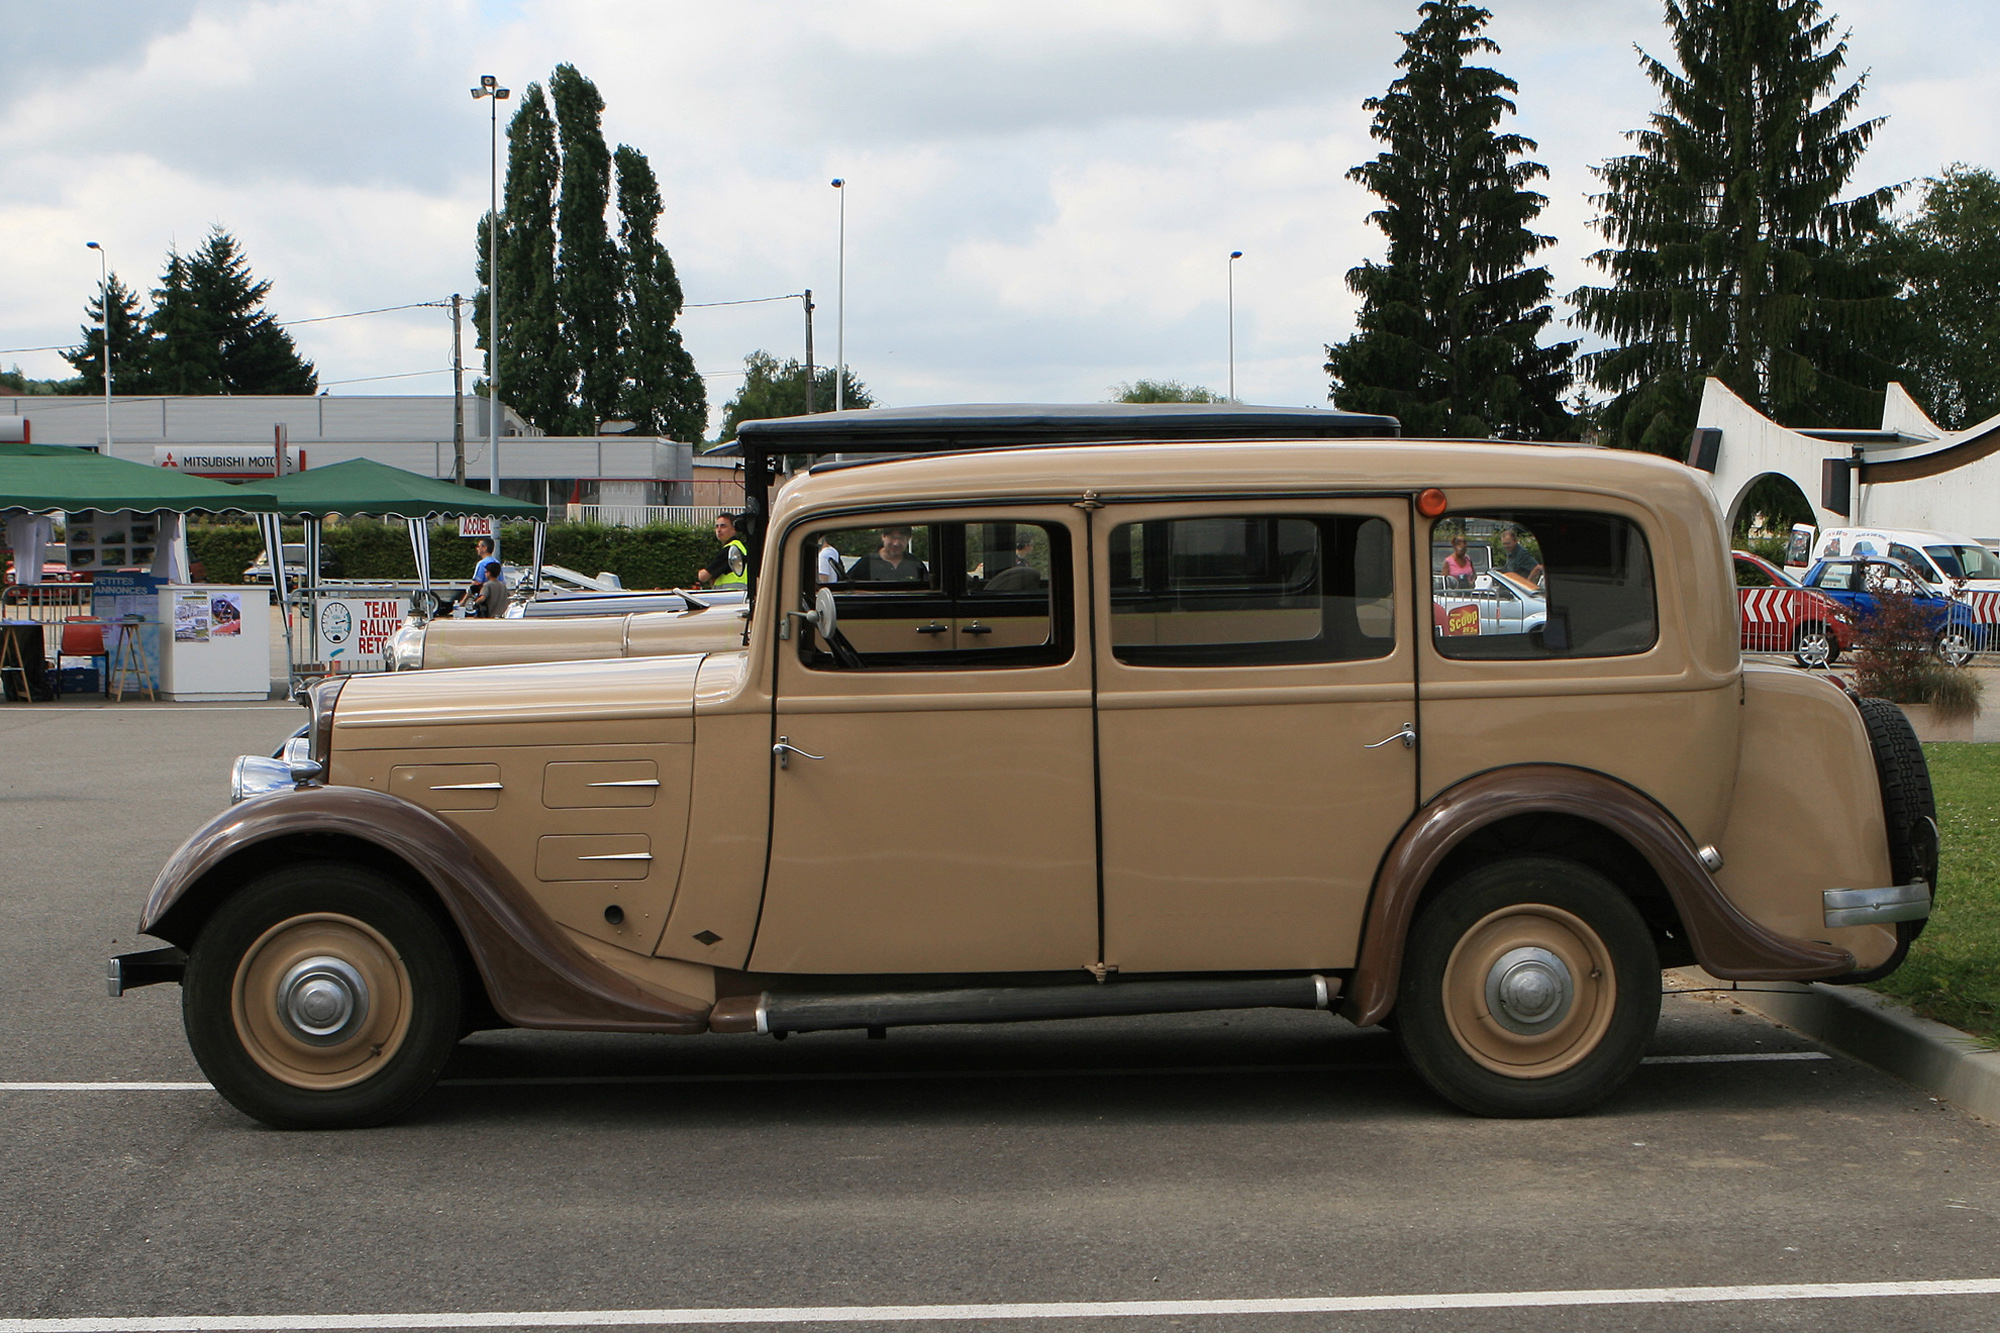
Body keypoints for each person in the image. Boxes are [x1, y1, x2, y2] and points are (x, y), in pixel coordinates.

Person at [847, 526, 929, 583]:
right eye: (892, 537)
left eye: (901, 538)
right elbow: (847, 588)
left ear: (908, 539)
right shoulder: (866, 563)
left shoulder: (916, 564)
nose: (896, 543)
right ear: (883, 537)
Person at [696, 514, 749, 589]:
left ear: (734, 529)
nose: (719, 530)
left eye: (723, 526)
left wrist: (700, 572)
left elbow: (703, 576)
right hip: (739, 594)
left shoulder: (730, 549)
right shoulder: (740, 547)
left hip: (730, 596)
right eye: (717, 526)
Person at [454, 537, 500, 614]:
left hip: (485, 600)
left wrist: (463, 602)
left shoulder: (482, 564)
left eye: (479, 546)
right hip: (497, 600)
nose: (477, 548)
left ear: (484, 548)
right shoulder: (497, 563)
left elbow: (476, 584)